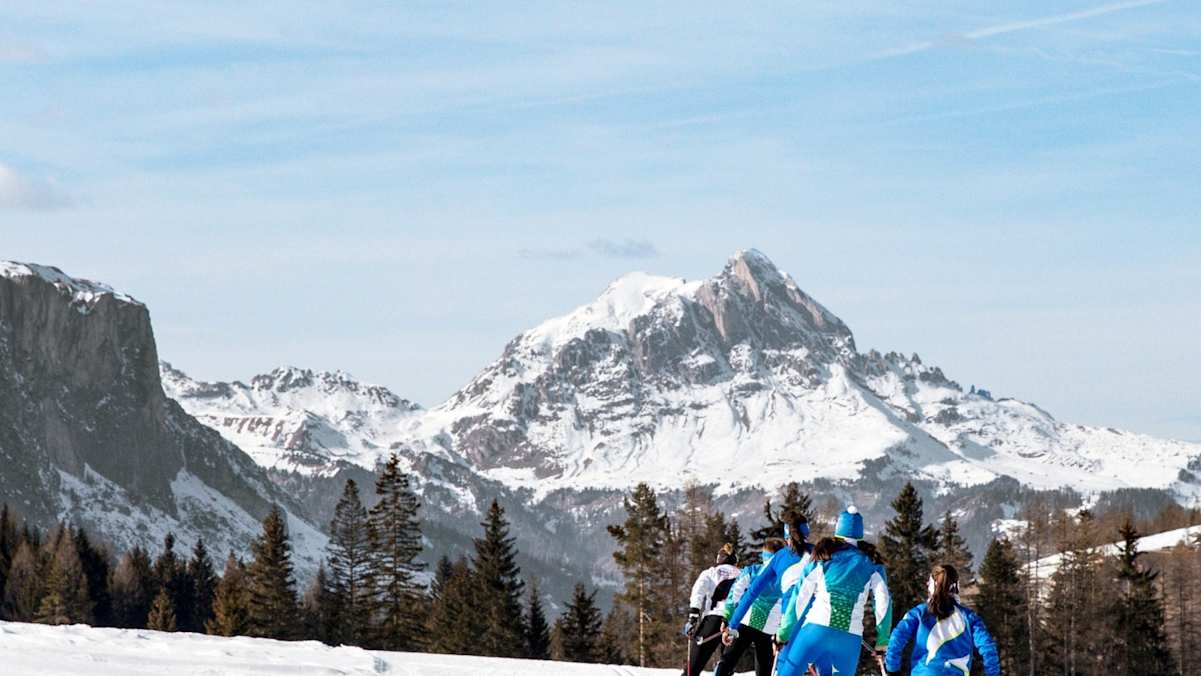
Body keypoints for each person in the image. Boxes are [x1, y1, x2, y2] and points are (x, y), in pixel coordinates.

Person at [773, 506, 892, 676]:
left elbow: (800, 595)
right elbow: (883, 601)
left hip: (816, 630)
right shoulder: (871, 562)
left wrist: (783, 634)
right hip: (849, 639)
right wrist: (882, 641)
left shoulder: (823, 555)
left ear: (838, 529)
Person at [882, 564, 1000, 676]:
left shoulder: (918, 613)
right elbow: (988, 647)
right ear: (956, 587)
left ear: (931, 585)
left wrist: (892, 669)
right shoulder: (969, 617)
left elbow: (897, 638)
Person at [723, 510, 813, 648]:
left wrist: (732, 624)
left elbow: (751, 593)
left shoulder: (781, 556)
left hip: (789, 622)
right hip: (820, 621)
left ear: (787, 535)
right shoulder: (820, 554)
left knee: (787, 667)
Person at [713, 538, 787, 676]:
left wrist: (727, 618)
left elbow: (733, 595)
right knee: (764, 668)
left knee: (727, 661)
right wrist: (783, 633)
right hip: (769, 629)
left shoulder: (753, 570)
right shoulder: (787, 577)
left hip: (746, 622)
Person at [682, 543, 740, 676]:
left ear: (719, 559)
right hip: (734, 622)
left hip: (713, 621)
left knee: (693, 666)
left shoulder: (711, 572)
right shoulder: (742, 573)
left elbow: (698, 592)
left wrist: (693, 616)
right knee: (726, 667)